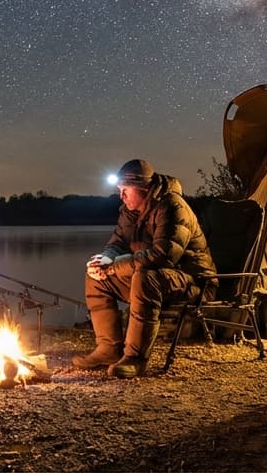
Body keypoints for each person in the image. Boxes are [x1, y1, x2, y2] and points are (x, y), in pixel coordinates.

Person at [72, 158, 218, 378]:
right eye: (120, 190)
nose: (121, 196)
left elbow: (163, 256)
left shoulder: (172, 207)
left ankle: (135, 358)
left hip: (195, 281)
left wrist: (113, 267)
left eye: (125, 190)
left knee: (145, 277)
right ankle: (109, 349)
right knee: (95, 278)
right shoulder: (129, 212)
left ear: (143, 188)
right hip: (154, 278)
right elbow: (117, 243)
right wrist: (103, 261)